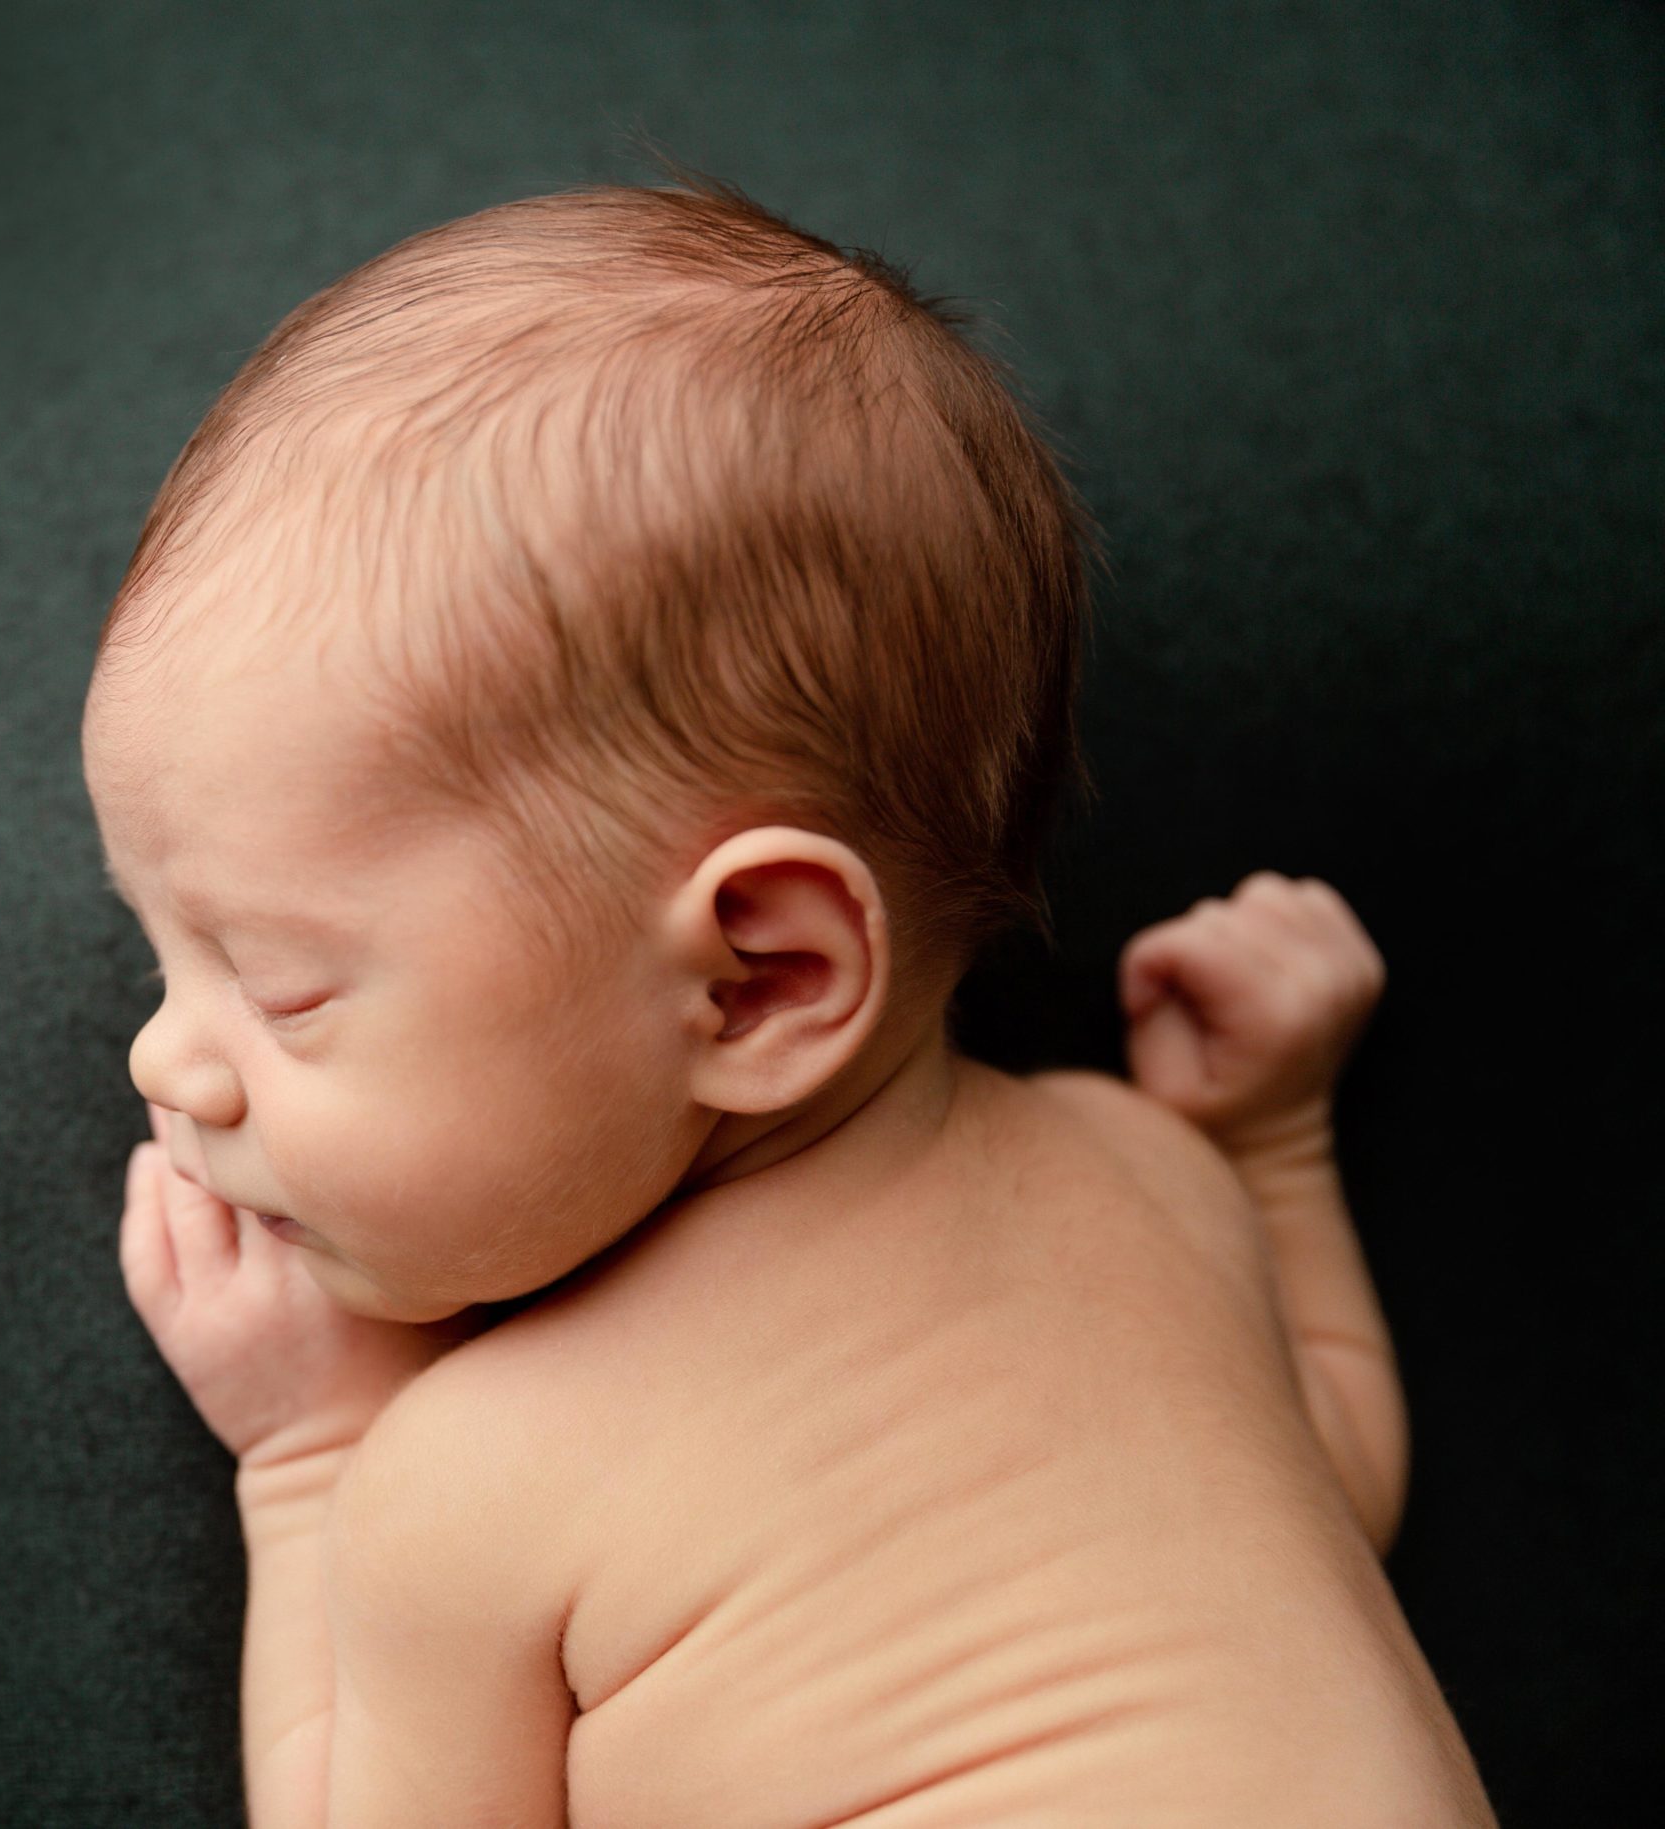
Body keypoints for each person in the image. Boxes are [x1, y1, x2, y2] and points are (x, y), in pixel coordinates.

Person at [84, 169, 1493, 1825]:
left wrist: (312, 1463)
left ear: (758, 977)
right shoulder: (1143, 1171)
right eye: (163, 952)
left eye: (283, 988)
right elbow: (1342, 1477)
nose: (163, 1054)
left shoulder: (473, 1483)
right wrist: (1267, 1136)